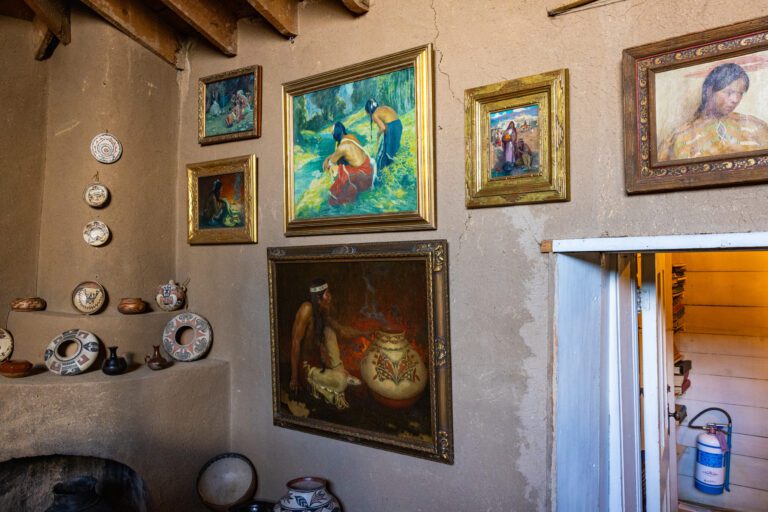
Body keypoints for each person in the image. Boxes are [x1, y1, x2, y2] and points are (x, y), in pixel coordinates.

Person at [659, 63, 768, 161]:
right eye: (729, 92)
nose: (735, 99)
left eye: (740, 93)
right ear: (709, 91)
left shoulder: (756, 127)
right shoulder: (680, 136)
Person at [289, 278, 364, 410]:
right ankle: (339, 378)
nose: (330, 297)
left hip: (319, 364)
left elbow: (342, 330)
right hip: (306, 369)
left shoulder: (321, 311)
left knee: (330, 330)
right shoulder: (306, 308)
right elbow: (295, 342)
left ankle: (339, 371)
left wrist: (365, 333)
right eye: (327, 293)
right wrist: (294, 378)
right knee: (341, 382)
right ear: (318, 298)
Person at [323, 122, 375, 206]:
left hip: (361, 174)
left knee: (335, 169)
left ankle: (339, 202)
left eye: (332, 133)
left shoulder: (342, 147)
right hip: (369, 166)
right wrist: (331, 156)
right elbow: (340, 152)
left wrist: (326, 162)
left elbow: (331, 163)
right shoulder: (351, 136)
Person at [365, 98, 403, 172]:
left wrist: (378, 135)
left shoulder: (374, 115)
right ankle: (393, 166)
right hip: (399, 125)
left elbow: (382, 128)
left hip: (391, 127)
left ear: (368, 111)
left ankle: (378, 171)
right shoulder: (383, 108)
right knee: (393, 149)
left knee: (383, 154)